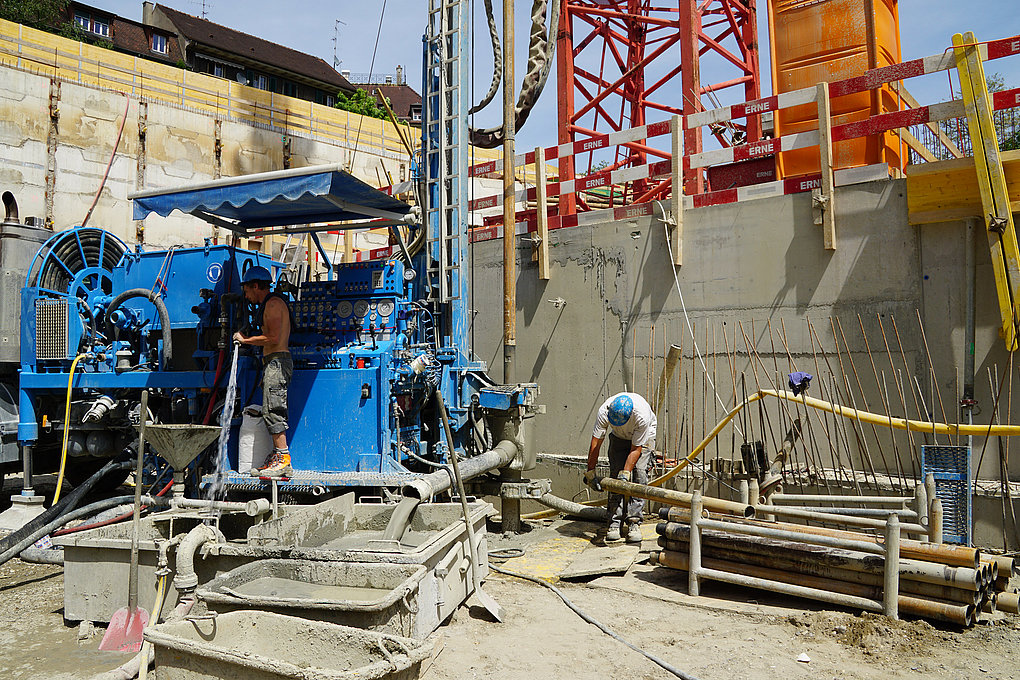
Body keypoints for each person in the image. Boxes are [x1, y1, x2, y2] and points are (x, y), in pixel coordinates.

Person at [233, 266, 293, 477]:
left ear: (256, 285)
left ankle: (283, 459)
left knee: (273, 409)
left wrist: (245, 340)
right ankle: (277, 456)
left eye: (247, 291)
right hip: (272, 361)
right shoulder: (268, 304)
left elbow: (273, 338)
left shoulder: (274, 304)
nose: (247, 296)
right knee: (269, 408)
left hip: (277, 362)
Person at [583, 392, 657, 544]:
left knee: (639, 475)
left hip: (644, 437)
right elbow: (595, 444)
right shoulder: (605, 411)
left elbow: (636, 449)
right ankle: (614, 523)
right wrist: (590, 471)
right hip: (618, 437)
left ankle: (634, 522)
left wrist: (626, 473)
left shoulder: (641, 416)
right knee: (615, 476)